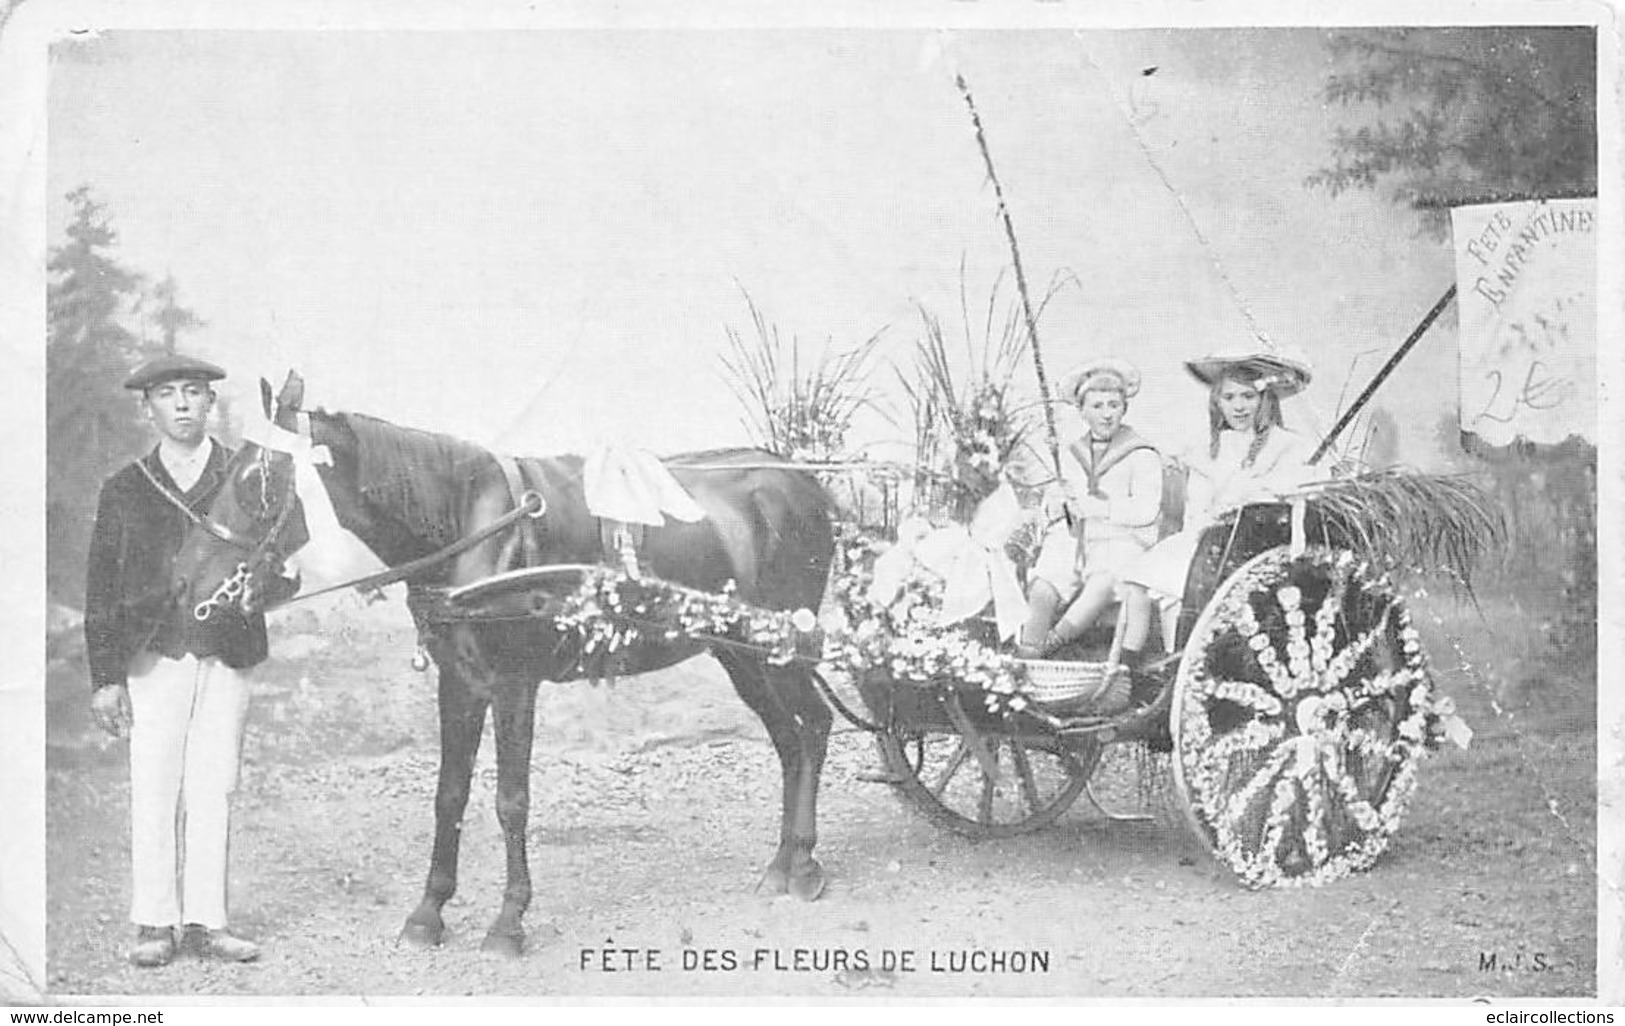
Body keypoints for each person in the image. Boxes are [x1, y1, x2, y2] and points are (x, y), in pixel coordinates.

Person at [84, 354, 265, 967]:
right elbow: (101, 589)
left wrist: (270, 582)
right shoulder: (125, 487)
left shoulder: (249, 478)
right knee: (154, 782)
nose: (183, 404)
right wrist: (106, 677)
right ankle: (154, 922)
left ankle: (207, 922)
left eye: (194, 392)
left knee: (215, 784)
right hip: (153, 654)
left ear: (211, 403)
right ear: (150, 408)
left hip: (227, 651)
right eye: (168, 394)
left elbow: (284, 564)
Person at [1118, 345, 1316, 666]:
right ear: (1217, 402)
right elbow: (1198, 510)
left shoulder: (1289, 446)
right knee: (1140, 581)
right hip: (1207, 536)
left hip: (1252, 542)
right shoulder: (1209, 448)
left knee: (1178, 578)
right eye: (1229, 398)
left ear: (1265, 400)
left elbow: (1283, 498)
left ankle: (1185, 662)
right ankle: (1135, 668)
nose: (1238, 407)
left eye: (1248, 397)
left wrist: (1247, 487)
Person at [1017, 357, 1162, 660]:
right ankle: (1026, 654)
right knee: (1045, 582)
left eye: (1114, 405)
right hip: (1077, 538)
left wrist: (1096, 508)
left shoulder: (1142, 454)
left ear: (1125, 408)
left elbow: (1146, 510)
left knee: (1102, 581)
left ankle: (1049, 649)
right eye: (1097, 406)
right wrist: (1057, 506)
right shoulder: (1072, 454)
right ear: (1082, 411)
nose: (1107, 414)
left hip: (1123, 542)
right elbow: (1057, 508)